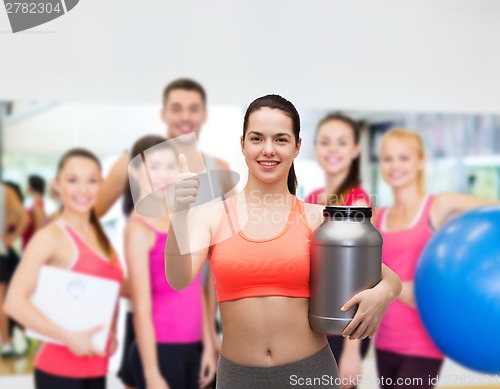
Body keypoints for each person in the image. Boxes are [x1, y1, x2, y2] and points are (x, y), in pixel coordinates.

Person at [165, 94, 402, 388]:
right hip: (238, 378)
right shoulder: (213, 216)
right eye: (256, 139)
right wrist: (178, 214)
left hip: (310, 372)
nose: (268, 150)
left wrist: (383, 294)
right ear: (242, 144)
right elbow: (178, 278)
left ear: (297, 146)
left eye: (280, 139)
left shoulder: (317, 219)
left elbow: (388, 277)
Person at [99, 78, 229, 388]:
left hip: (198, 312)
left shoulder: (218, 168)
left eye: (193, 108)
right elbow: (87, 221)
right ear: (163, 113)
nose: (186, 116)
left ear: (205, 114)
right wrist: (119, 276)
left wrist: (214, 335)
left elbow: (221, 249)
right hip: (154, 314)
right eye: (177, 108)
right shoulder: (132, 162)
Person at [374, 128, 498, 389]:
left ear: (420, 162)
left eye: (404, 158)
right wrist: (396, 289)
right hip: (384, 339)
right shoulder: (378, 217)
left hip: (424, 342)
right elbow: (368, 277)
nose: (395, 165)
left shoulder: (438, 205)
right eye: (388, 158)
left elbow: (494, 209)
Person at [4, 148, 124, 389]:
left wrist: (111, 333)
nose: (83, 190)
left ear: (101, 184)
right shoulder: (50, 237)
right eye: (72, 180)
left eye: (91, 181)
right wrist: (68, 338)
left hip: (96, 366)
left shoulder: (100, 235)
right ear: (57, 185)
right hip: (59, 371)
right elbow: (13, 303)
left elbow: (107, 291)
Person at [123, 135, 216, 389]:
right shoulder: (139, 228)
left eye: (169, 166)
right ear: (137, 171)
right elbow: (140, 306)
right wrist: (152, 373)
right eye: (154, 167)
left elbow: (195, 288)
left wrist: (208, 346)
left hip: (194, 347)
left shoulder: (181, 217)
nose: (163, 175)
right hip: (161, 350)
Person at [305, 113, 372, 387]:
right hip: (316, 328)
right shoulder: (311, 199)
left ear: (355, 150)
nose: (332, 149)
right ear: (315, 148)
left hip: (345, 332)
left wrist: (352, 351)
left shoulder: (358, 202)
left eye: (341, 142)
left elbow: (364, 279)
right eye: (325, 142)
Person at [0, 182, 28, 358]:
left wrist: (11, 237)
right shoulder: (5, 190)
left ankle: (7, 344)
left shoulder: (5, 190)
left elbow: (24, 218)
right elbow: (23, 218)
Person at [22, 174, 47, 250]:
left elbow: (38, 229)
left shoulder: (38, 204)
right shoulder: (35, 203)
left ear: (31, 186)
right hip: (28, 243)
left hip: (32, 245)